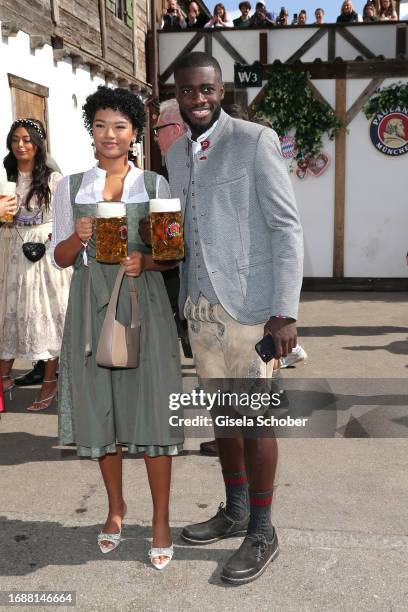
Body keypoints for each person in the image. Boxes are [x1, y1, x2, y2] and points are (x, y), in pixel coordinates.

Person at [167, 52, 303, 584]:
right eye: (187, 91)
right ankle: (236, 510)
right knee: (224, 419)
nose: (198, 99)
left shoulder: (252, 140)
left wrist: (284, 312)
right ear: (177, 95)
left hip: (250, 308)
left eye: (206, 89)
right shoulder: (176, 155)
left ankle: (263, 530)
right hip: (200, 311)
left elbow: (285, 228)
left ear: (220, 90)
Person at [51, 86, 183, 569]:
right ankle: (114, 509)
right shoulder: (70, 187)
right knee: (101, 411)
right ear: (92, 132)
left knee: (152, 410)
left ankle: (162, 520)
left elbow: (171, 255)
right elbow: (61, 259)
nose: (110, 134)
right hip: (89, 305)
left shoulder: (153, 186)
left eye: (120, 126)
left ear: (134, 135)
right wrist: (75, 235)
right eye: (102, 125)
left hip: (142, 304)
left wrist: (144, 262)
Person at [0, 118, 71, 410]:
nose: (21, 145)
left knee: (47, 315)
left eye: (27, 139)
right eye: (16, 139)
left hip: (45, 254)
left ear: (38, 144)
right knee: (9, 313)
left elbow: (64, 220)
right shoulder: (5, 176)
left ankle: (49, 382)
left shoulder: (54, 180)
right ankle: (3, 379)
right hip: (9, 251)